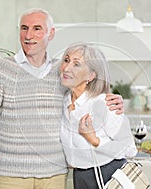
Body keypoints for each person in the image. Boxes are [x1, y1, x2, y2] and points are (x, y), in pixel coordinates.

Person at [0, 8, 124, 189]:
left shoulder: (62, 70)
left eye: (37, 28)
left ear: (51, 33)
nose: (29, 35)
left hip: (54, 173)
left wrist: (111, 99)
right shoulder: (1, 69)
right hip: (11, 173)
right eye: (24, 28)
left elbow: (87, 95)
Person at [59, 43, 137, 189]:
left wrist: (94, 140)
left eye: (76, 64)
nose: (67, 68)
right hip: (80, 177)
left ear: (91, 75)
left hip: (108, 174)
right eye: (66, 60)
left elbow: (130, 149)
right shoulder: (64, 102)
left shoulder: (105, 103)